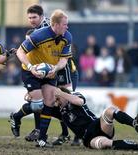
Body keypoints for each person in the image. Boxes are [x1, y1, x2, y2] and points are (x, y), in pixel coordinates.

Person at [9, 9, 72, 146]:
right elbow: (20, 52)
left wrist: (55, 68)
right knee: (38, 105)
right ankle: (16, 116)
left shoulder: (67, 36)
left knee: (49, 103)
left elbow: (64, 60)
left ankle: (42, 140)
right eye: (64, 24)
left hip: (50, 72)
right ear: (55, 24)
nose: (67, 27)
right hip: (30, 71)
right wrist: (31, 67)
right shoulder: (39, 35)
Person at [26, 4, 80, 146]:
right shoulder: (37, 32)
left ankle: (77, 134)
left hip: (65, 70)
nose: (31, 20)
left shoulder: (53, 27)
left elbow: (64, 59)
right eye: (29, 17)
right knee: (47, 102)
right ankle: (55, 133)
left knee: (66, 103)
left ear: (42, 17)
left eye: (34, 17)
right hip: (50, 71)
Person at [35, 87, 138, 150]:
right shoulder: (60, 111)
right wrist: (32, 97)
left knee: (109, 110)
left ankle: (134, 123)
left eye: (57, 99)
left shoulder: (76, 96)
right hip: (87, 139)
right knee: (105, 143)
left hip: (97, 125)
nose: (57, 102)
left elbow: (79, 102)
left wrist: (61, 93)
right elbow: (40, 108)